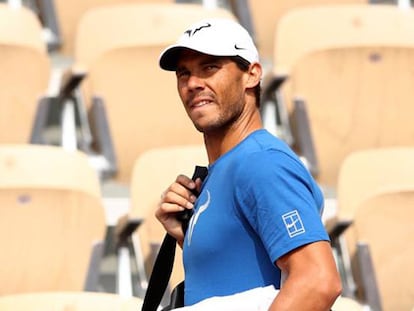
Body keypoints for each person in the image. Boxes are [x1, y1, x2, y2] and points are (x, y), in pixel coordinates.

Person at [155, 18, 342, 310]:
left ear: (252, 74)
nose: (193, 83)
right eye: (184, 73)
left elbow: (318, 281)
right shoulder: (226, 170)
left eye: (210, 67)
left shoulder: (262, 163)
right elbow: (235, 279)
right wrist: (187, 239)